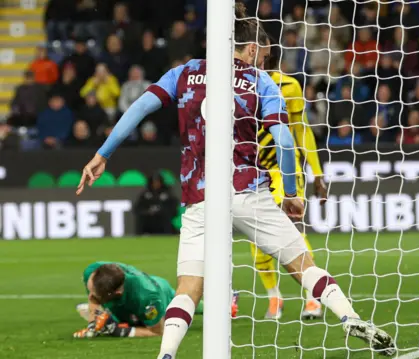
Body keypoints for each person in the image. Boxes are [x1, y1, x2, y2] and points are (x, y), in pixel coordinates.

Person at [75, 4, 396, 358]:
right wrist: (290, 194)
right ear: (251, 48)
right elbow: (286, 142)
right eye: (264, 52)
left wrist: (102, 154)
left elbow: (137, 109)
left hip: (199, 197)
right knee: (304, 266)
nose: (264, 58)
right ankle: (348, 317)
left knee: (188, 289)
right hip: (248, 193)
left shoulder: (183, 73)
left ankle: (166, 354)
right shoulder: (262, 82)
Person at [253, 45, 328, 320]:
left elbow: (301, 130)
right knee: (257, 238)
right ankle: (274, 297)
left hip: (285, 169)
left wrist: (317, 172)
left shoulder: (289, 85)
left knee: (289, 230)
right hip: (253, 170)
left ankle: (313, 297)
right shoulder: (238, 85)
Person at [72, 262, 210, 338]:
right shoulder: (92, 272)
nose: (90, 294)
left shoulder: (148, 298)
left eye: (95, 293)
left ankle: (222, 306)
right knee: (122, 319)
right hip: (127, 296)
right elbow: (93, 298)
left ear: (117, 292)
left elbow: (158, 332)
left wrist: (119, 331)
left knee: (184, 304)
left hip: (160, 291)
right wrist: (93, 323)